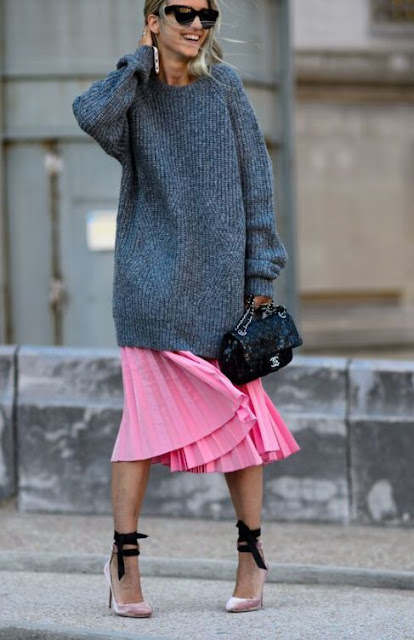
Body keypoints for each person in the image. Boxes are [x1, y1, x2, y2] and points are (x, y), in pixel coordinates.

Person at [72, 0, 300, 619]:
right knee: (141, 431)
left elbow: (258, 182)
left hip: (224, 294)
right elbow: (90, 116)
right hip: (149, 290)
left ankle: (251, 556)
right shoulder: (134, 93)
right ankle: (124, 562)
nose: (197, 24)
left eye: (208, 13)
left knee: (244, 425)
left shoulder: (224, 87)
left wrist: (259, 277)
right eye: (182, 12)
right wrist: (137, 67)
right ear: (153, 20)